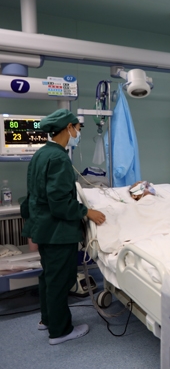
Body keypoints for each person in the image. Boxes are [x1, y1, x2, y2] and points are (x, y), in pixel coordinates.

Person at [20, 108, 106, 345]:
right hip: (57, 231)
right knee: (60, 280)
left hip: (43, 227)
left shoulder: (41, 154)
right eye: (77, 128)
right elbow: (59, 202)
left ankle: (48, 319)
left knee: (49, 277)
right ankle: (60, 331)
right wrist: (86, 212)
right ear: (68, 128)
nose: (78, 132)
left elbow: (35, 194)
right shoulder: (58, 158)